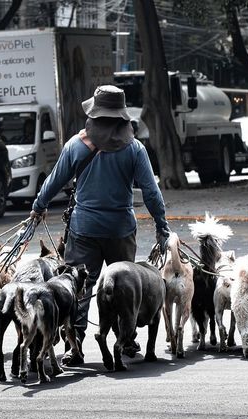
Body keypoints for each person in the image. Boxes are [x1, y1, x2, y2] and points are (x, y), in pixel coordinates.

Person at [29, 85, 171, 366]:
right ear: (121, 117)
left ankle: (75, 346)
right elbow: (152, 192)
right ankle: (124, 338)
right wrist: (161, 225)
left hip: (84, 230)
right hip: (121, 230)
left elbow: (54, 181)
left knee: (79, 288)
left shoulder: (75, 146)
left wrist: (38, 206)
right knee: (123, 289)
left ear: (94, 116)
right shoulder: (135, 149)